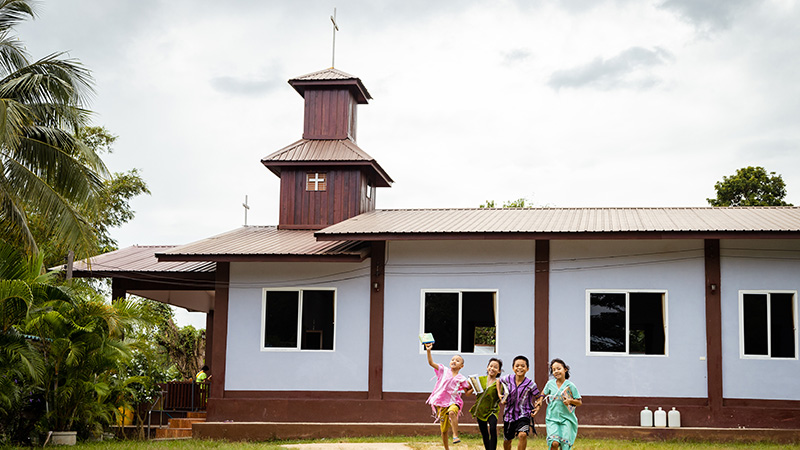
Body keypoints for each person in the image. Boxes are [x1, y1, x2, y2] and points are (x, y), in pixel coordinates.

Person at [425, 342, 472, 449]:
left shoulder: (462, 379)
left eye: (457, 360)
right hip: (440, 404)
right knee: (444, 430)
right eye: (452, 359)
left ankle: (455, 435)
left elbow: (467, 393)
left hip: (454, 402)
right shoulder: (443, 370)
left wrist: (473, 387)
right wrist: (428, 351)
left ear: (462, 366)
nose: (454, 361)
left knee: (452, 412)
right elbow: (431, 363)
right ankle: (446, 448)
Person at [499, 355, 540, 450]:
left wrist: (537, 408)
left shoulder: (531, 384)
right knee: (507, 440)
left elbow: (538, 397)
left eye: (523, 366)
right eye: (517, 366)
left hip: (524, 414)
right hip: (509, 414)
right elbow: (498, 381)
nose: (520, 368)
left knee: (522, 435)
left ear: (527, 369)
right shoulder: (508, 378)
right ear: (513, 368)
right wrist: (499, 394)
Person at [541, 358, 581, 450]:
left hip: (567, 419)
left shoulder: (570, 385)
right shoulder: (550, 384)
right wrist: (539, 400)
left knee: (564, 445)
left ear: (565, 369)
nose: (556, 371)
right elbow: (543, 392)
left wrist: (570, 401)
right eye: (553, 370)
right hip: (552, 418)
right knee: (554, 443)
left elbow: (579, 402)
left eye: (558, 368)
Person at [469, 358, 503, 450]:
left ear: (499, 371)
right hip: (480, 410)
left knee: (492, 429)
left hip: (493, 410)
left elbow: (504, 395)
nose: (492, 368)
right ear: (487, 367)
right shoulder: (479, 379)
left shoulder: (499, 383)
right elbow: (468, 389)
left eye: (495, 367)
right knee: (484, 433)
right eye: (491, 366)